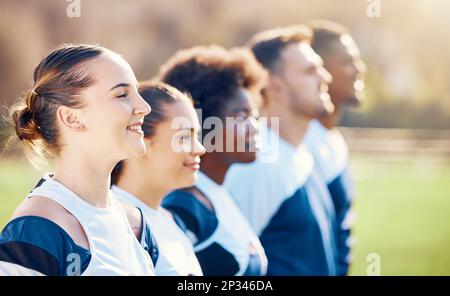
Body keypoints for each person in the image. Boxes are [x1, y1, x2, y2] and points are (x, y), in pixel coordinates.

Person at [0, 44, 157, 276]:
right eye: (122, 94)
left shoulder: (136, 223)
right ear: (72, 118)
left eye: (137, 93)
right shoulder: (36, 231)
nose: (145, 107)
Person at [224, 26, 339, 275]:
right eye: (311, 71)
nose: (326, 78)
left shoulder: (303, 153)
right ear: (275, 87)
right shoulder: (258, 166)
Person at [159, 45, 268, 276]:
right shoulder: (182, 206)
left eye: (254, 116)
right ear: (204, 123)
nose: (255, 128)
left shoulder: (217, 193)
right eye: (241, 116)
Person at [111, 82, 205, 275]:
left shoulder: (171, 220)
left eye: (197, 136)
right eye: (184, 137)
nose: (200, 149)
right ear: (142, 143)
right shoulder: (116, 224)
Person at [304, 20, 367, 275]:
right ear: (320, 71)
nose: (358, 69)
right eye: (347, 61)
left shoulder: (334, 141)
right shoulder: (300, 146)